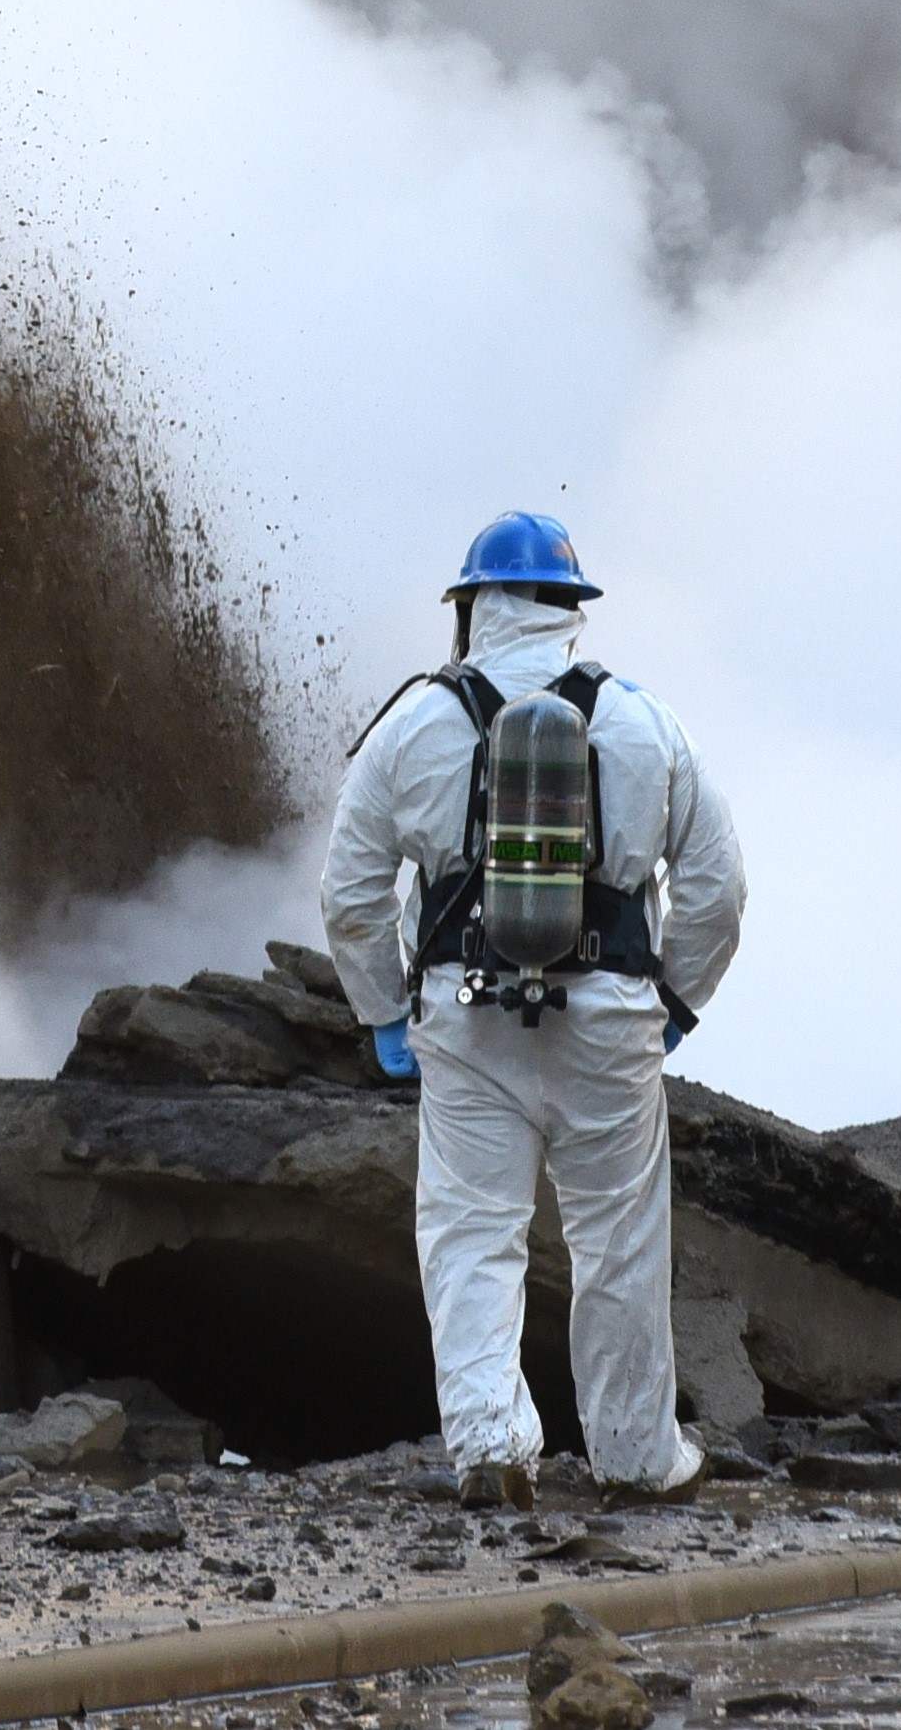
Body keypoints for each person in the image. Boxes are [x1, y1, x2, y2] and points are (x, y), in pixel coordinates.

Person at [318, 510, 745, 1507]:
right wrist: (673, 997)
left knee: (472, 1232)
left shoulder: (415, 723)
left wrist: (384, 1009)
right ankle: (638, 1456)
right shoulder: (643, 721)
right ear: (569, 609)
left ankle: (491, 1443)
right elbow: (718, 888)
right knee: (618, 1240)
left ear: (472, 606)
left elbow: (349, 891)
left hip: (465, 1020)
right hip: (609, 1018)